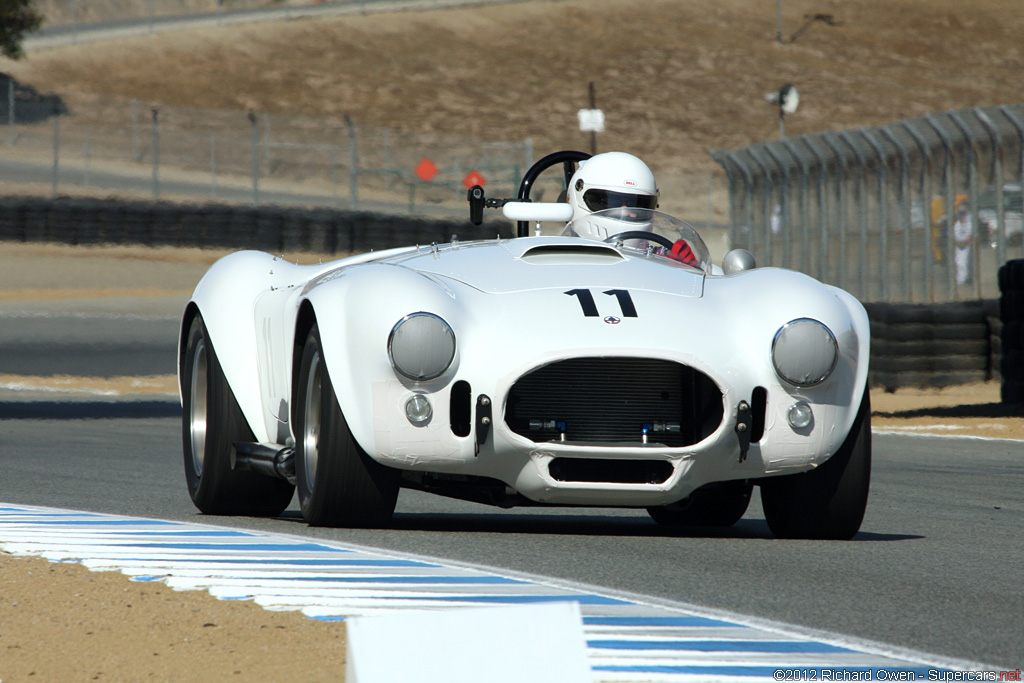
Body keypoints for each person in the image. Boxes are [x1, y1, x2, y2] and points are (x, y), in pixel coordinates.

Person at [562, 151, 697, 267]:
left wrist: (680, 265)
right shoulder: (556, 257)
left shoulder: (662, 261)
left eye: (637, 204)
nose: (626, 211)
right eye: (613, 202)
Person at [952, 200, 973, 286]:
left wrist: (966, 242)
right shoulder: (957, 225)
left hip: (966, 246)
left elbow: (969, 237)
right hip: (959, 246)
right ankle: (960, 279)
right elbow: (955, 239)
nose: (962, 218)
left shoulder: (968, 223)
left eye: (963, 216)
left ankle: (962, 279)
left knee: (963, 263)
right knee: (958, 262)